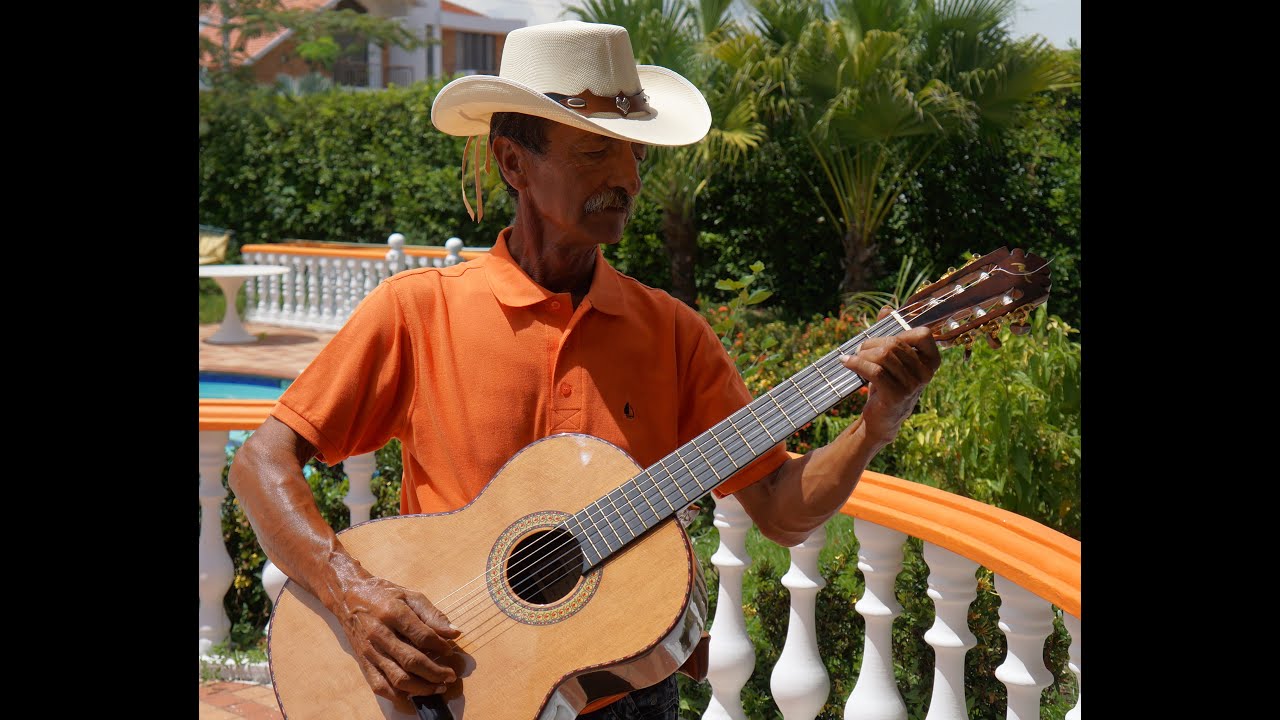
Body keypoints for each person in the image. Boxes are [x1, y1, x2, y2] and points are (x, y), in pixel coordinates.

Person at [228, 20, 941, 720]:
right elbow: (260, 464)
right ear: (513, 164)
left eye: (634, 153)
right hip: (451, 688)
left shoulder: (673, 334)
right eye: (597, 151)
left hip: (629, 694)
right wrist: (352, 593)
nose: (626, 178)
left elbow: (781, 509)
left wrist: (875, 426)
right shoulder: (417, 311)